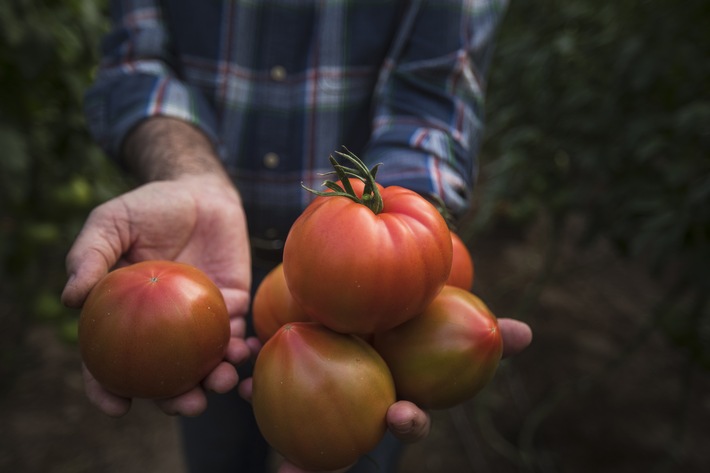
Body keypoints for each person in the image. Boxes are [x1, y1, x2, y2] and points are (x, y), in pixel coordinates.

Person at [61, 1, 533, 472]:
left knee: (364, 443)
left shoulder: (380, 264)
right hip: (205, 280)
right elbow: (134, 63)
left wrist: (411, 241)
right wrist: (187, 176)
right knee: (215, 448)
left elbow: (434, 97)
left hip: (382, 332)